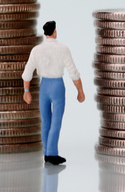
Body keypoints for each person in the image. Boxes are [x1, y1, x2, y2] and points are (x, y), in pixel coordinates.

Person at [22, 20, 85, 165]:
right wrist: (80, 91)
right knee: (56, 121)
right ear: (55, 32)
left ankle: (47, 152)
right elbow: (73, 73)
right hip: (57, 85)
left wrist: (26, 90)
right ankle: (51, 154)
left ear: (45, 33)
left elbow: (27, 72)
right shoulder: (63, 49)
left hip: (44, 86)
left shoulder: (36, 50)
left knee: (46, 121)